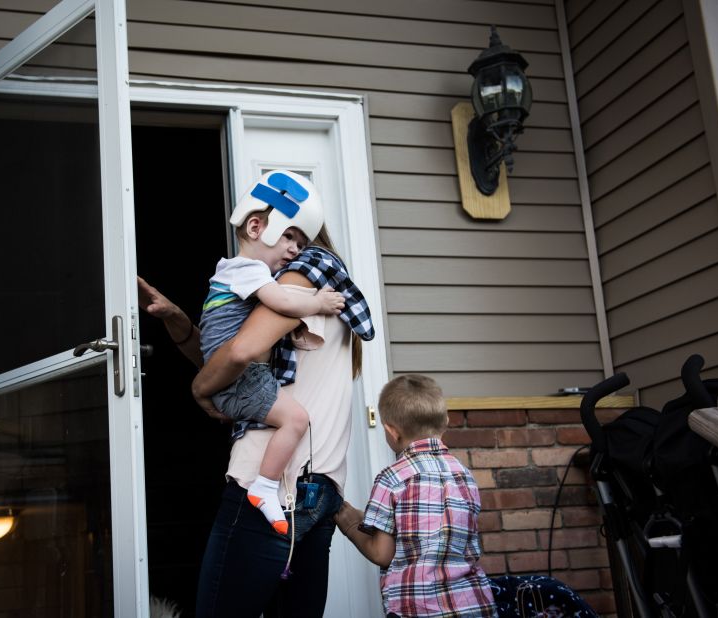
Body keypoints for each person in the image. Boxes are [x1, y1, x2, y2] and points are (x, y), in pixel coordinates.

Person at [138, 171, 375, 617]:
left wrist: (197, 389)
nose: (291, 248)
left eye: (296, 239)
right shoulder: (315, 281)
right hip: (318, 489)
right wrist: (180, 323)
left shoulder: (301, 277)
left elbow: (241, 352)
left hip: (276, 483)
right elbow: (230, 358)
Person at [199, 170, 345, 534]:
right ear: (255, 228)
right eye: (289, 236)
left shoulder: (229, 272)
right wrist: (318, 302)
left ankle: (265, 484)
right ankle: (265, 486)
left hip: (233, 381)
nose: (296, 250)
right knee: (296, 421)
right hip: (241, 379)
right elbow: (280, 301)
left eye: (301, 241)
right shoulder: (249, 271)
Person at [334, 374, 496, 618]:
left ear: (391, 431)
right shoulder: (464, 475)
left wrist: (350, 524)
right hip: (474, 604)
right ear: (446, 422)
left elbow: (382, 553)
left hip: (418, 608)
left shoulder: (392, 478)